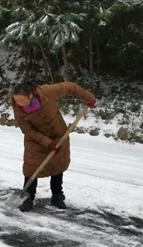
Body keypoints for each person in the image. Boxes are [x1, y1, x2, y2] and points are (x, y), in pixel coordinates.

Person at [11, 81, 96, 212]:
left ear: (30, 95)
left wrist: (87, 96)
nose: (19, 103)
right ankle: (27, 198)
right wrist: (47, 142)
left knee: (57, 165)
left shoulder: (46, 92)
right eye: (16, 100)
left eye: (22, 100)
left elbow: (69, 87)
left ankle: (57, 197)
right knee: (31, 168)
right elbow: (28, 130)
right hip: (35, 141)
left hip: (58, 136)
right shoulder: (18, 110)